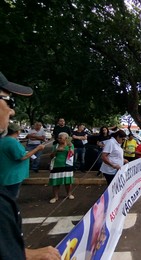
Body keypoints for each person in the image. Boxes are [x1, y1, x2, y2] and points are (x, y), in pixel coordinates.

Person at [0, 71, 60, 259]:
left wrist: (25, 254)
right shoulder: (10, 143)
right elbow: (23, 157)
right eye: (9, 101)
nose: (12, 111)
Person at [0, 123, 45, 199]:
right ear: (17, 131)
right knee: (11, 197)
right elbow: (22, 157)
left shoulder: (3, 140)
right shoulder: (12, 142)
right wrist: (37, 149)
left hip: (5, 174)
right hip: (12, 177)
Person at [49, 132, 75, 204]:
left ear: (66, 138)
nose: (59, 139)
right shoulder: (55, 145)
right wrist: (56, 150)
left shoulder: (70, 145)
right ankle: (55, 196)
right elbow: (51, 156)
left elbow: (72, 154)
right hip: (56, 165)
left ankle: (69, 194)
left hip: (67, 165)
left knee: (68, 182)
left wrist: (69, 147)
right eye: (58, 138)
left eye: (61, 138)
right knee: (56, 182)